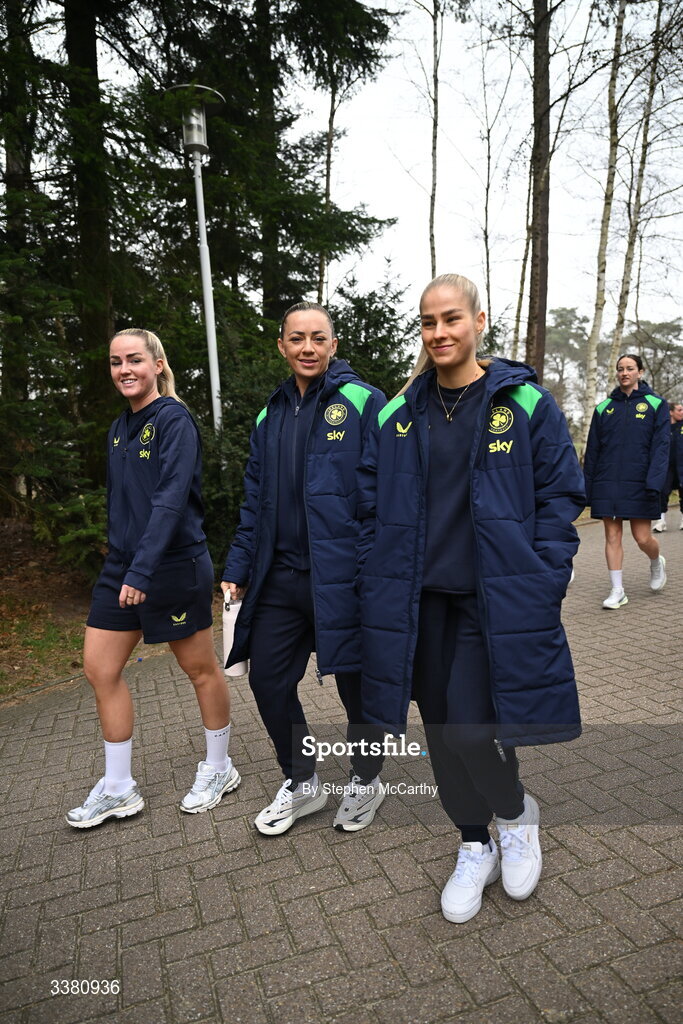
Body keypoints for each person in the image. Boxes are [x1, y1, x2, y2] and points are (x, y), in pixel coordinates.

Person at [356, 274, 585, 924]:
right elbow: (367, 502)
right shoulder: (398, 413)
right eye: (428, 323)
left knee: (470, 728)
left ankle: (514, 815)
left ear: (478, 320)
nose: (438, 333)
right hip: (417, 605)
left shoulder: (523, 404)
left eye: (450, 319)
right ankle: (472, 841)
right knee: (439, 734)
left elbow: (560, 497)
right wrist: (378, 564)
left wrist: (541, 578)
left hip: (492, 602)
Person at [222, 301, 387, 836]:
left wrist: (373, 566)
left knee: (355, 685)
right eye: (297, 339)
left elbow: (387, 495)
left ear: (333, 345)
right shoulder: (269, 415)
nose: (308, 348)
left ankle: (367, 779)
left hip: (346, 577)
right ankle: (302, 781)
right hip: (280, 578)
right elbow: (254, 501)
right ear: (282, 346)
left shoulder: (364, 402)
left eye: (318, 338)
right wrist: (239, 566)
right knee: (268, 680)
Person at [66, 328, 240, 828]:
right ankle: (119, 788)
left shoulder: (174, 420)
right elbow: (125, 503)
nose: (125, 369)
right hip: (122, 568)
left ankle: (220, 766)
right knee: (100, 669)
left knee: (200, 669)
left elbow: (169, 500)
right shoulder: (119, 428)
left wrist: (142, 569)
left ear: (158, 365)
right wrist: (121, 560)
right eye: (116, 361)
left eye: (135, 359)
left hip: (172, 567)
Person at [584, 354, 670, 609]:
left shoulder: (656, 405)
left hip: (640, 482)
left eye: (630, 368)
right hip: (607, 481)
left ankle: (656, 562)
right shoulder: (603, 408)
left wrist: (654, 482)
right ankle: (617, 590)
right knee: (612, 535)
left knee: (643, 537)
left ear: (640, 372)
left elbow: (661, 446)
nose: (624, 373)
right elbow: (593, 451)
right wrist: (587, 488)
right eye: (620, 369)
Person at [652, 401, 683, 532]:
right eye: (679, 410)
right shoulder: (663, 427)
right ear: (671, 412)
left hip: (682, 466)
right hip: (667, 467)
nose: (682, 412)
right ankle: (661, 521)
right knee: (662, 493)